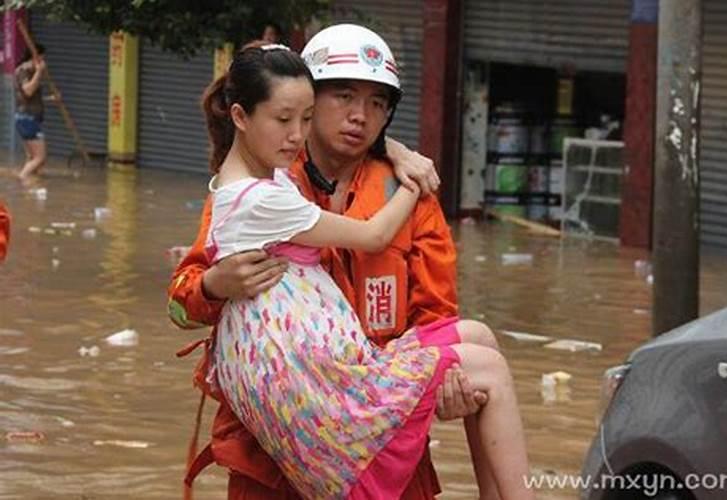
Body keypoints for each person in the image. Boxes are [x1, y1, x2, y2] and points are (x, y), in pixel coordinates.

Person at [168, 24, 502, 499]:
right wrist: (215, 285)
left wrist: (451, 386)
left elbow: (436, 316)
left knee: (478, 348)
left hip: (379, 438)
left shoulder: (410, 195)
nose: (360, 117)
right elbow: (181, 301)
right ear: (308, 98)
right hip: (271, 455)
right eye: (343, 96)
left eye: (378, 103)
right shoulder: (265, 184)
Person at [14, 44, 51, 180]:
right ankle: (22, 180)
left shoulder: (29, 70)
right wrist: (39, 72)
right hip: (27, 119)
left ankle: (31, 192)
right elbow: (28, 91)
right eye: (41, 57)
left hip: (26, 118)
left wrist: (51, 99)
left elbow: (29, 98)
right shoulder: (23, 70)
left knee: (32, 158)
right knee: (40, 158)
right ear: (35, 56)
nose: (43, 61)